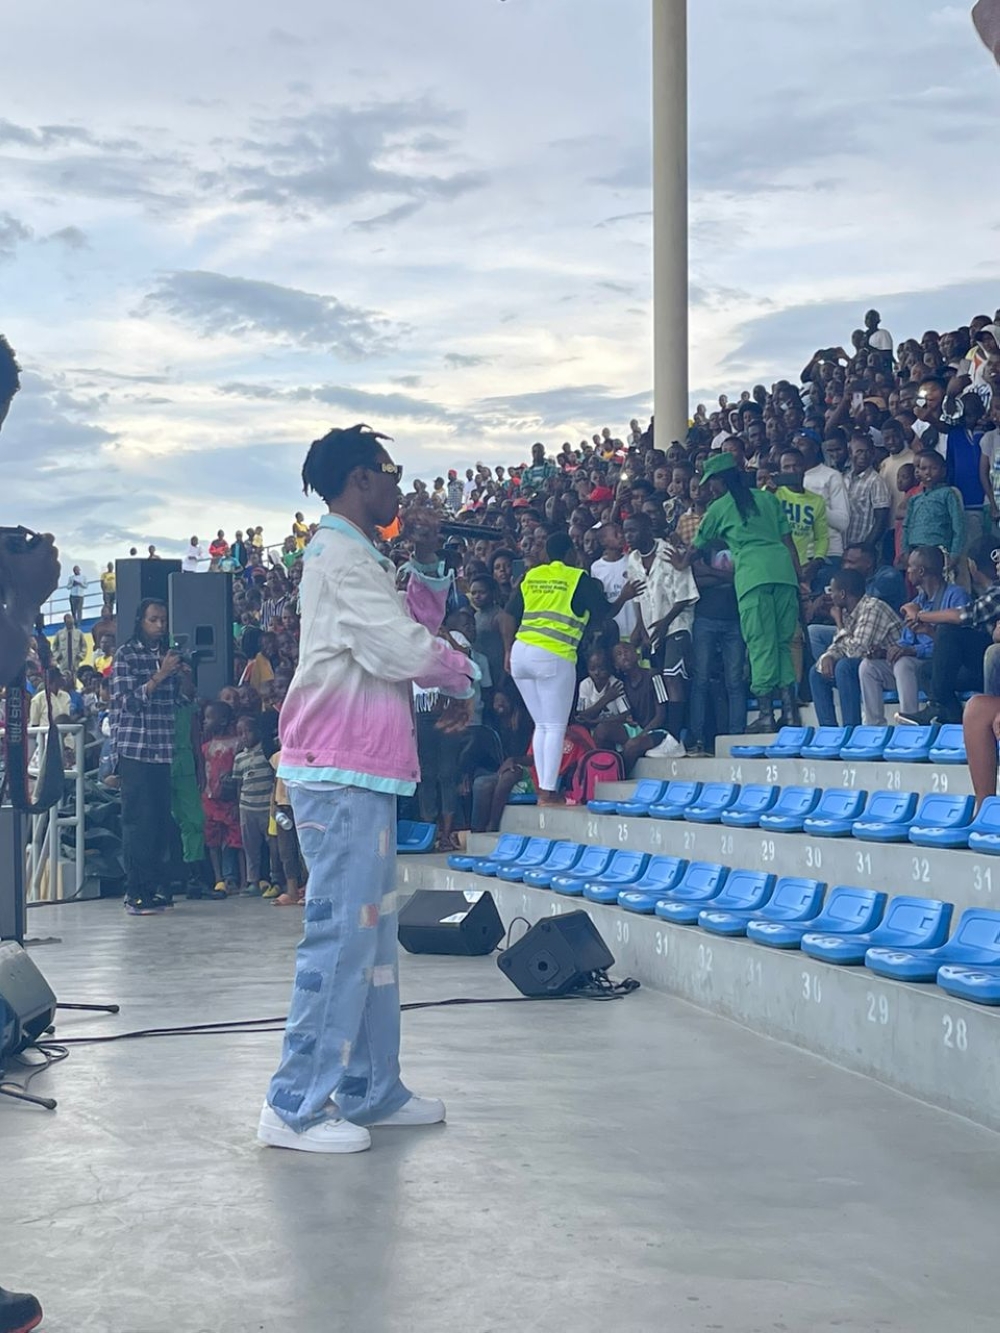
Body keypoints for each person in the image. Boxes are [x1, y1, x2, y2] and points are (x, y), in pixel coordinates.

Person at [259, 423, 476, 1155]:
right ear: (360, 479)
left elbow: (412, 621)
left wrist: (426, 561)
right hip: (338, 769)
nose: (399, 484)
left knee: (373, 942)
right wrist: (463, 673)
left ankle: (370, 1086)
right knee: (340, 940)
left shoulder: (361, 555)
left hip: (366, 768)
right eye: (390, 471)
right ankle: (294, 1103)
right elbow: (397, 646)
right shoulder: (339, 557)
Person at [672, 452, 800, 733]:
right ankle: (790, 713)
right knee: (782, 643)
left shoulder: (719, 508)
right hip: (784, 573)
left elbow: (697, 546)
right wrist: (799, 580)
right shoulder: (768, 498)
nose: (709, 488)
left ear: (720, 480)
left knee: (760, 643)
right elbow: (789, 544)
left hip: (754, 577)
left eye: (711, 482)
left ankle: (766, 715)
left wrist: (681, 562)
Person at [505, 532, 634, 804]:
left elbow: (507, 615)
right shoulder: (576, 578)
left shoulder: (533, 576)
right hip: (553, 655)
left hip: (520, 653)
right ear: (569, 555)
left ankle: (543, 787)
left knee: (541, 725)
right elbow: (604, 614)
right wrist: (624, 597)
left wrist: (507, 651)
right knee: (554, 726)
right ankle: (549, 791)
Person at [109, 598, 184, 915]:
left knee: (159, 821)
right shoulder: (127, 654)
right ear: (140, 620)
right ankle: (135, 892)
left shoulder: (166, 654)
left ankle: (157, 887)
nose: (160, 625)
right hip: (136, 747)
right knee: (137, 821)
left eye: (164, 620)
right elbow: (129, 702)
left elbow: (177, 701)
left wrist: (182, 675)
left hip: (163, 746)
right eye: (154, 619)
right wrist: (160, 674)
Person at [859, 546, 968, 723]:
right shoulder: (916, 603)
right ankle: (874, 727)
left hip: (941, 667)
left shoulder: (955, 595)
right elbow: (905, 643)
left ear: (922, 571)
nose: (907, 571)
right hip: (915, 667)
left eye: (910, 566)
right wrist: (885, 652)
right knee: (868, 666)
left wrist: (914, 650)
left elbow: (957, 644)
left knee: (903, 663)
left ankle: (909, 723)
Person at [898, 539, 1000, 723]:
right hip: (979, 666)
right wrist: (929, 630)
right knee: (926, 671)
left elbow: (962, 616)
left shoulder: (995, 592)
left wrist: (919, 615)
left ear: (972, 566)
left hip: (992, 666)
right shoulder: (988, 593)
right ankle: (952, 717)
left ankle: (935, 706)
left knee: (949, 629)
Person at [624, 510, 698, 746]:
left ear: (647, 529)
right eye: (625, 531)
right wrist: (642, 630)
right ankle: (668, 732)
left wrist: (666, 621)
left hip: (677, 624)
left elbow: (685, 593)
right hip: (653, 631)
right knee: (662, 682)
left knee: (673, 677)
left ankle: (675, 737)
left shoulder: (667, 551)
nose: (628, 536)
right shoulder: (633, 559)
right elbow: (637, 597)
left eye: (633, 530)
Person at [809, 568, 903, 727]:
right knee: (816, 671)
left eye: (833, 591)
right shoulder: (848, 611)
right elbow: (839, 645)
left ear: (843, 594)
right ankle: (829, 731)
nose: (831, 596)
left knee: (844, 667)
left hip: (890, 669)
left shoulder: (872, 608)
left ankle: (851, 728)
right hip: (867, 667)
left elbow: (856, 651)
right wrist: (828, 656)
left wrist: (838, 623)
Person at [592, 641, 671, 772]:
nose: (624, 656)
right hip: (637, 729)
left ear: (637, 655)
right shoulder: (622, 684)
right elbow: (628, 714)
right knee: (601, 731)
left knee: (632, 745)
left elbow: (661, 715)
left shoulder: (653, 675)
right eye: (619, 654)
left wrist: (642, 735)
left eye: (627, 651)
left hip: (657, 731)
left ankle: (620, 776)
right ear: (616, 665)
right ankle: (604, 770)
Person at [234, 714, 278, 896]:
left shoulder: (267, 752)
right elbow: (238, 784)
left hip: (266, 807)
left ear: (258, 732)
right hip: (247, 808)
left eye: (248, 731)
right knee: (250, 847)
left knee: (273, 846)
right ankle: (253, 881)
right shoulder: (239, 758)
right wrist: (239, 806)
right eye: (240, 733)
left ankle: (275, 879)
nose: (244, 736)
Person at [902, 449, 966, 560]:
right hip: (915, 550)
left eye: (934, 468)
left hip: (939, 550)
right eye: (923, 468)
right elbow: (906, 527)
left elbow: (958, 525)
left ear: (943, 472)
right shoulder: (914, 498)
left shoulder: (947, 494)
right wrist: (906, 551)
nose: (927, 472)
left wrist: (954, 554)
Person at [844, 437, 891, 548]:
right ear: (850, 453)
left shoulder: (876, 481)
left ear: (873, 454)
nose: (863, 456)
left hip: (863, 548)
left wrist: (867, 546)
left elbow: (881, 519)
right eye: (859, 451)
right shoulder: (844, 479)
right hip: (843, 547)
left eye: (868, 452)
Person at [51, 610, 86, 678]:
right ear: (65, 622)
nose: (69, 622)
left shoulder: (79, 633)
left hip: (74, 661)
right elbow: (54, 647)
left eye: (70, 620)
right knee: (63, 678)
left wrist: (80, 656)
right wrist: (58, 656)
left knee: (74, 677)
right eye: (67, 621)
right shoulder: (59, 633)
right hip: (63, 661)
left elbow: (84, 646)